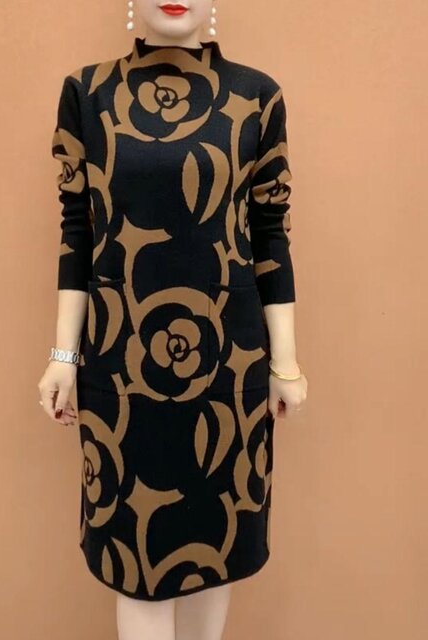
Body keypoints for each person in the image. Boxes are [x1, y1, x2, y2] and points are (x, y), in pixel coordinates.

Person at [38, 1, 308, 638]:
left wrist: (286, 363)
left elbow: (270, 235)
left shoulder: (257, 97)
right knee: (135, 558)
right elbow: (78, 232)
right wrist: (63, 356)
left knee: (217, 551)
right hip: (120, 370)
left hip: (229, 372)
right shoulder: (88, 94)